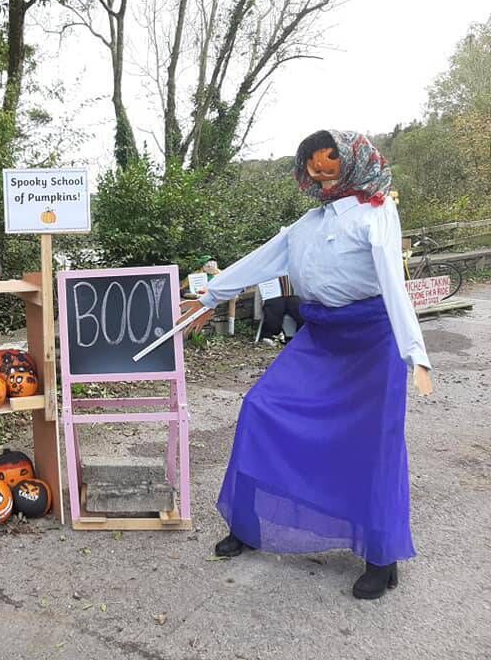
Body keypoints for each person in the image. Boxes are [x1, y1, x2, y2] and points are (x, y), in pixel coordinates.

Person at [177, 129, 433, 600]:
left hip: (373, 341)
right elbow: (262, 261)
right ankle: (249, 526)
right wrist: (209, 297)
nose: (319, 169)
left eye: (330, 159)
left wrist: (415, 352)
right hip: (320, 338)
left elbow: (394, 286)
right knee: (260, 407)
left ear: (353, 162)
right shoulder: (306, 225)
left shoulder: (377, 214)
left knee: (372, 445)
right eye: (312, 161)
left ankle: (382, 557)